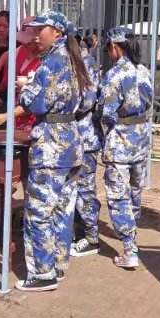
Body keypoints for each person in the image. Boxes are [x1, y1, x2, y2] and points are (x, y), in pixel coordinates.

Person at [0, 11, 91, 293]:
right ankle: (58, 263)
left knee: (39, 211)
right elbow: (86, 101)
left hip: (51, 144)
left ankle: (43, 273)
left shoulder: (51, 62)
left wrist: (27, 85)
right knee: (63, 208)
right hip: (71, 141)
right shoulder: (75, 59)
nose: (34, 37)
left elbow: (34, 103)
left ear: (56, 31)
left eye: (39, 30)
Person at [99, 27, 153, 269]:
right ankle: (132, 233)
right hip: (140, 142)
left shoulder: (114, 75)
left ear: (114, 46)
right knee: (134, 192)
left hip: (120, 144)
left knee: (118, 196)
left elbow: (106, 112)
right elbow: (149, 104)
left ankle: (129, 249)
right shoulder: (144, 71)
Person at [70, 34, 102, 257]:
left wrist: (62, 106)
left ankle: (91, 238)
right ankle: (80, 233)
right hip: (74, 137)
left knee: (85, 188)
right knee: (74, 188)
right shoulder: (73, 62)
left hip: (86, 138)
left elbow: (87, 101)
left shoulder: (86, 63)